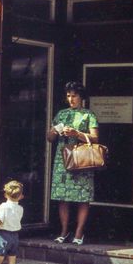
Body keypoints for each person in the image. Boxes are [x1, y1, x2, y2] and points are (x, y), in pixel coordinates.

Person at [47, 81, 99, 246]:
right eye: (68, 96)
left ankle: (79, 232)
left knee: (82, 197)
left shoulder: (88, 115)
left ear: (81, 97)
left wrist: (77, 133)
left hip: (81, 159)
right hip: (62, 159)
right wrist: (53, 131)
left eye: (74, 96)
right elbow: (49, 138)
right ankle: (63, 231)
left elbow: (95, 138)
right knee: (62, 196)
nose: (71, 99)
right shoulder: (61, 114)